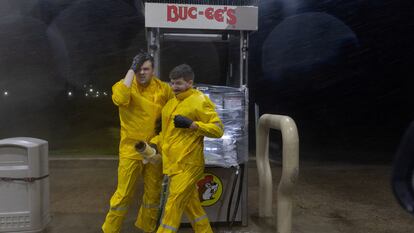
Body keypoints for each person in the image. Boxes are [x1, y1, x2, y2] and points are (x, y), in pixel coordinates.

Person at [102, 52, 174, 233]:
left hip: (154, 151)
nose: (142, 73)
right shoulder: (124, 85)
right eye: (138, 69)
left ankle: (148, 228)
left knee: (153, 194)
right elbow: (119, 99)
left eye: (146, 69)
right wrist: (131, 71)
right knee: (123, 194)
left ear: (153, 70)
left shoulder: (162, 88)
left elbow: (174, 109)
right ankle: (110, 230)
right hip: (131, 150)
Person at [150, 64, 224, 233]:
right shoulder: (170, 105)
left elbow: (218, 130)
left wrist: (193, 125)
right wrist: (155, 142)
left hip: (189, 164)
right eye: (172, 83)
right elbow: (166, 134)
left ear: (190, 83)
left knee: (172, 206)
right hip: (173, 164)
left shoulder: (200, 101)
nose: (174, 87)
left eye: (178, 83)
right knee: (193, 209)